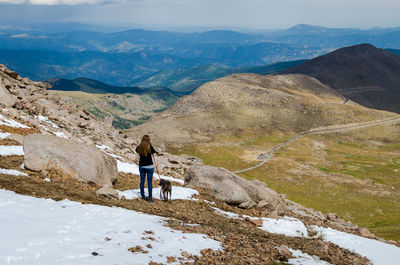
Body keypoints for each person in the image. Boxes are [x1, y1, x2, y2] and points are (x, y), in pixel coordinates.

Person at [135, 135, 158, 202]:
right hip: (149, 166)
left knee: (142, 181)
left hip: (142, 166)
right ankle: (150, 197)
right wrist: (150, 144)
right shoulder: (149, 146)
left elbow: (137, 150)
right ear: (148, 140)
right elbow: (153, 151)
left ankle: (143, 196)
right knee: (149, 182)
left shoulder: (139, 147)